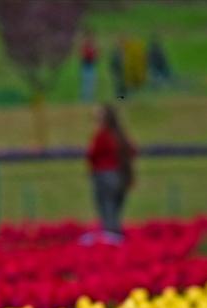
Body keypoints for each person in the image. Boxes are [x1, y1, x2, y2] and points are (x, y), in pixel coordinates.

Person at [85, 104, 136, 241]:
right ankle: (116, 237)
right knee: (115, 210)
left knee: (107, 209)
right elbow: (132, 150)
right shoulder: (119, 135)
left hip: (104, 175)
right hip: (121, 175)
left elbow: (92, 154)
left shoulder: (103, 135)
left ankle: (112, 241)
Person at [79, 30, 99, 102]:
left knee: (91, 82)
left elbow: (96, 56)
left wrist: (95, 51)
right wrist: (93, 51)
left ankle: (89, 99)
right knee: (86, 82)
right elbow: (84, 55)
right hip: (86, 65)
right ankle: (85, 99)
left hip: (91, 65)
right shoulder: (85, 45)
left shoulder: (91, 45)